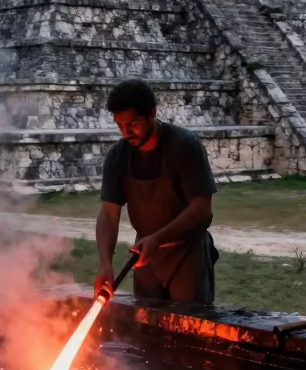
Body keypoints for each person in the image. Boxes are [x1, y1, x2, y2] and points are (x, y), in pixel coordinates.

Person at [94, 79, 219, 304]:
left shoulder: (185, 147)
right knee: (147, 328)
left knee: (190, 328)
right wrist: (105, 265)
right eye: (120, 125)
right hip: (144, 259)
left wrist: (158, 238)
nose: (126, 132)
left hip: (187, 256)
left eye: (132, 124)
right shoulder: (118, 156)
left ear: (152, 113)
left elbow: (202, 208)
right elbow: (108, 215)